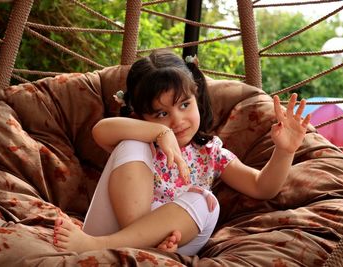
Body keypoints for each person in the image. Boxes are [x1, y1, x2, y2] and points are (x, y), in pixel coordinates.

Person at [53, 50, 311, 255]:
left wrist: (285, 151)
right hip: (112, 229)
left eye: (184, 105)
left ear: (197, 99)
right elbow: (101, 131)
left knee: (205, 201)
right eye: (162, 114)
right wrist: (158, 134)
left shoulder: (210, 153)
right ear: (140, 116)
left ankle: (114, 245)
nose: (177, 121)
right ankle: (127, 244)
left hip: (176, 242)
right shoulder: (145, 142)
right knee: (132, 142)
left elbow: (261, 187)